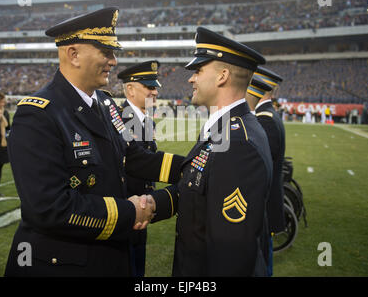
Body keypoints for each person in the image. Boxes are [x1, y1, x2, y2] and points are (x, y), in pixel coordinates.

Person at [4, 7, 184, 277]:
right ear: (73, 54)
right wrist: (131, 212)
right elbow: (49, 208)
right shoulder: (38, 114)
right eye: (106, 52)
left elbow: (133, 157)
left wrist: (195, 167)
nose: (113, 61)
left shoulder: (105, 103)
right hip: (62, 266)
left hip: (108, 256)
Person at [150, 27, 273, 276]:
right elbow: (198, 188)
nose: (191, 79)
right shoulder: (225, 129)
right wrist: (154, 203)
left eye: (198, 71)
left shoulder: (237, 143)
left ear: (222, 76)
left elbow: (231, 254)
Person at [117, 60, 161, 277]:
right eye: (149, 87)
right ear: (131, 89)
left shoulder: (147, 121)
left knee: (138, 266)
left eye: (155, 87)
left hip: (142, 206)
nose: (155, 92)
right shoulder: (119, 120)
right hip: (127, 207)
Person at [245, 66, 286, 276]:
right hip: (269, 200)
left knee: (263, 262)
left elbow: (261, 169)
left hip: (265, 203)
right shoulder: (270, 115)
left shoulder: (266, 120)